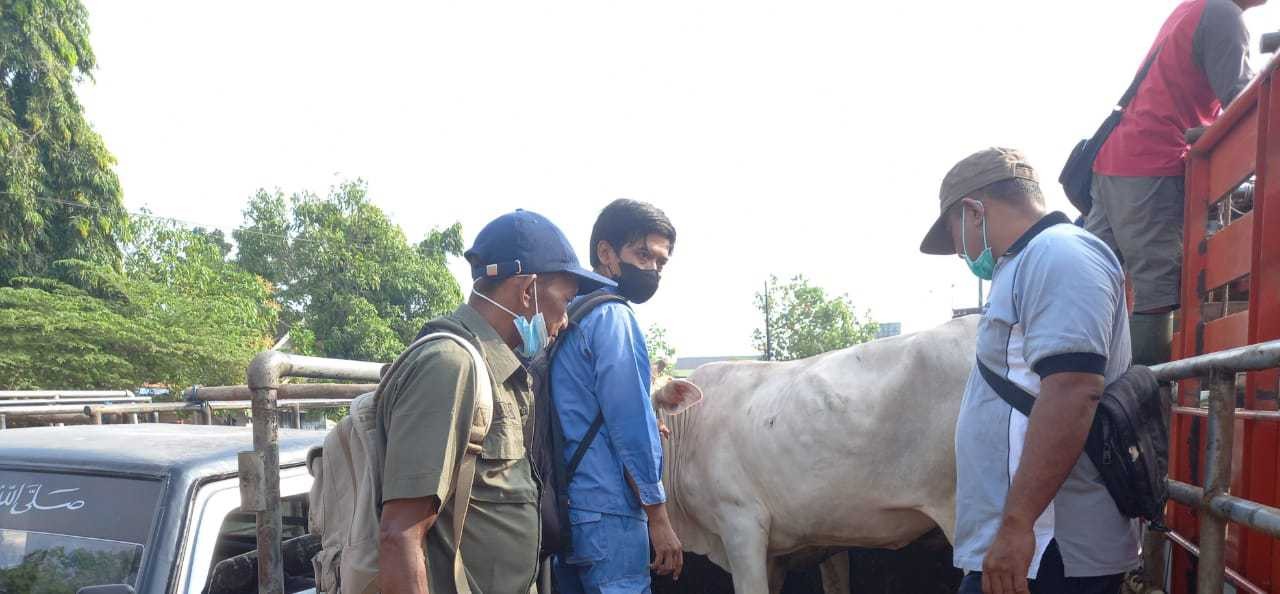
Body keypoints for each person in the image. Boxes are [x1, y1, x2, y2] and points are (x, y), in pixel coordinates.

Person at [920, 148, 1137, 594]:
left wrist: (1017, 526)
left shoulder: (1059, 255)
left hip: (1050, 548)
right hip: (1028, 548)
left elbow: (1073, 390)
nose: (959, 251)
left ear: (973, 212)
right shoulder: (1027, 263)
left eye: (953, 234)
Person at [377, 209, 615, 594]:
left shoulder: (502, 370)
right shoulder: (450, 365)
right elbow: (399, 535)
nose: (566, 319)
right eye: (566, 299)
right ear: (527, 291)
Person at [1089, 0, 1265, 365]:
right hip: (1149, 165)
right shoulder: (1222, 13)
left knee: (1094, 282)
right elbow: (1246, 100)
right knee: (1158, 291)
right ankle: (1146, 406)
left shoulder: (1195, 8)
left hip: (1115, 163)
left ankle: (1091, 384)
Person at [550, 199, 682, 593]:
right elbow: (631, 425)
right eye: (643, 255)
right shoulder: (614, 317)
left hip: (565, 511)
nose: (652, 270)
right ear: (606, 253)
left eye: (660, 262)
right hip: (610, 515)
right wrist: (658, 518)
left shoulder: (567, 315)